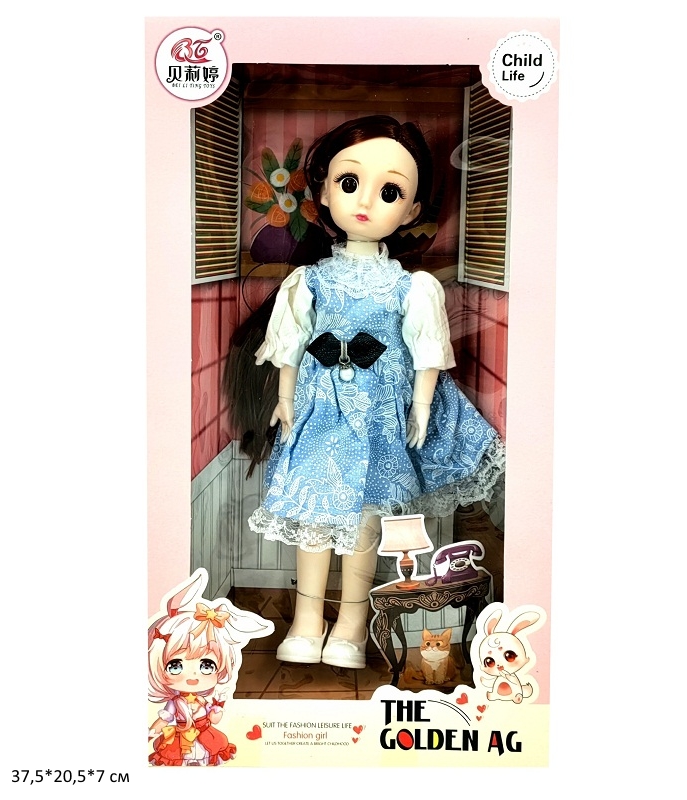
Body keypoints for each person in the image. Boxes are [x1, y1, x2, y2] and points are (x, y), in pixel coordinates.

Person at [236, 115, 505, 669]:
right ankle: (307, 620)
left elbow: (428, 351)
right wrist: (284, 398)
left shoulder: (412, 286)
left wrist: (422, 406)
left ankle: (352, 625)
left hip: (380, 414)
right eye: (349, 182)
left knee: (364, 517)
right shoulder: (308, 281)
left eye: (389, 192)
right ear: (323, 192)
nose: (365, 202)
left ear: (410, 211)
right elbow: (289, 344)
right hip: (318, 408)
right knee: (315, 513)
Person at [148, 569, 271, 765]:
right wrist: (149, 733)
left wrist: (217, 709)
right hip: (180, 740)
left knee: (206, 758)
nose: (193, 675)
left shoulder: (204, 701)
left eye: (206, 665)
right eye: (175, 666)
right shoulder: (175, 703)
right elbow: (164, 719)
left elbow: (214, 719)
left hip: (206, 737)